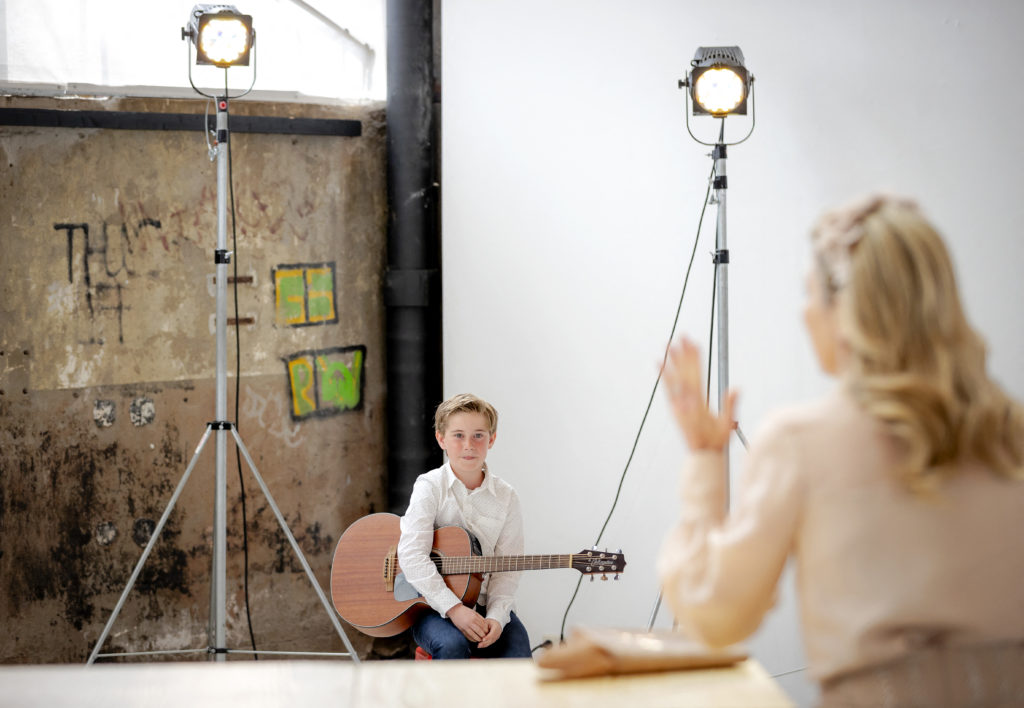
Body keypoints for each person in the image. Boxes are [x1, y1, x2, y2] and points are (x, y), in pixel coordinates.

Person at [656, 194, 1024, 706]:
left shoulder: (798, 442)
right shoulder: (1012, 436)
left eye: (811, 294)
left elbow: (713, 613)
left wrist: (702, 461)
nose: (805, 313)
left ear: (847, 312)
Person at [396, 393, 532, 659]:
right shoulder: (429, 487)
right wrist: (454, 609)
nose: (469, 445)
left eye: (478, 435)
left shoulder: (507, 497)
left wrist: (496, 617)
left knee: (518, 652)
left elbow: (507, 570)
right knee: (452, 645)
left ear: (491, 439)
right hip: (432, 606)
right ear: (441, 439)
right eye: (458, 435)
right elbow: (412, 555)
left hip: (485, 603)